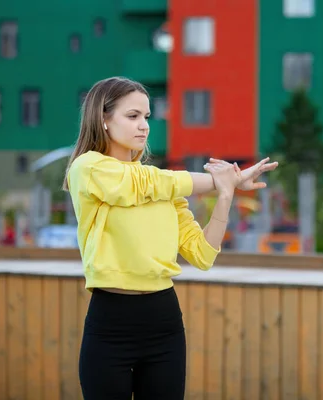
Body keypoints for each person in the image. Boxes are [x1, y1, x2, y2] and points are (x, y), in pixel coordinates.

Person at [62, 76, 278, 399]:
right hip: (110, 324)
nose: (144, 126)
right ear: (104, 119)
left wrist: (225, 194)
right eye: (132, 116)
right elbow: (143, 183)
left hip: (163, 322)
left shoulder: (165, 186)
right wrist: (220, 179)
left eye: (147, 117)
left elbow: (202, 255)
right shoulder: (88, 169)